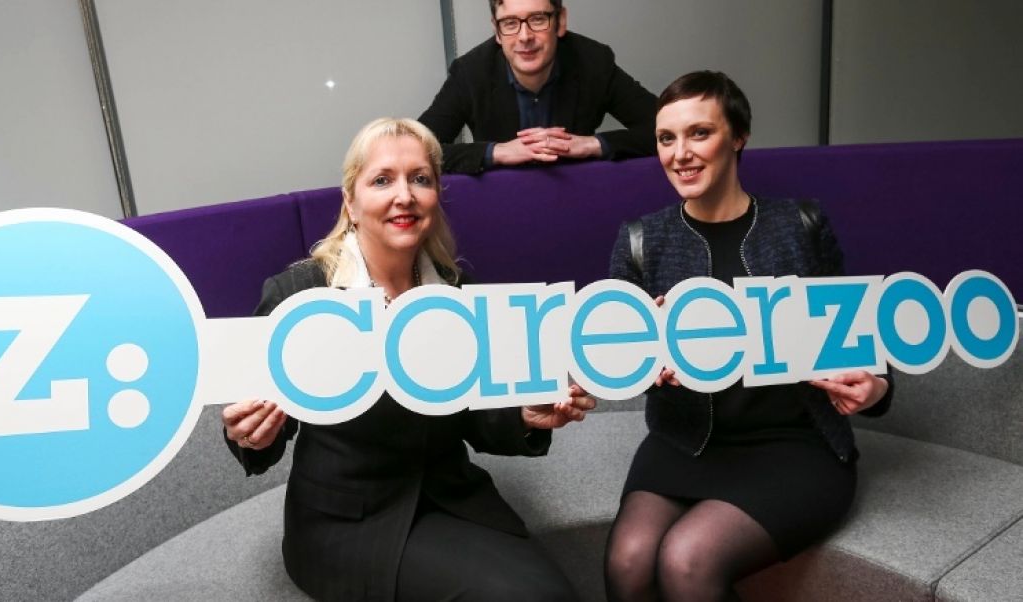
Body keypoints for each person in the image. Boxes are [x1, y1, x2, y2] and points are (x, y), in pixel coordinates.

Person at [221, 117, 593, 602]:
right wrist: (249, 434)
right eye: (382, 180)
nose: (405, 195)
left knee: (548, 593)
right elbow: (261, 432)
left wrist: (524, 416)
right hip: (344, 524)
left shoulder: (455, 292)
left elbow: (474, 414)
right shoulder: (301, 294)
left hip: (451, 500)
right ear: (350, 203)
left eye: (420, 179)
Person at [602, 71, 894, 601]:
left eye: (699, 133)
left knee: (687, 560)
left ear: (738, 137)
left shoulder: (801, 223)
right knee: (627, 561)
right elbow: (618, 362)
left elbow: (863, 341)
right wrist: (645, 359)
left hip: (795, 445)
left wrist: (876, 389)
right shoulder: (641, 239)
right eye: (666, 138)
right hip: (684, 442)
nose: (680, 153)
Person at [418, 0, 656, 175]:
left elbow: (668, 130)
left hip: (577, 198)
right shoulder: (470, 72)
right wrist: (496, 152)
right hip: (502, 202)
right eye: (510, 23)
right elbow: (413, 149)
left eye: (538, 19)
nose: (524, 36)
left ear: (560, 21)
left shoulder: (594, 62)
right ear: (497, 31)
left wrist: (591, 145)